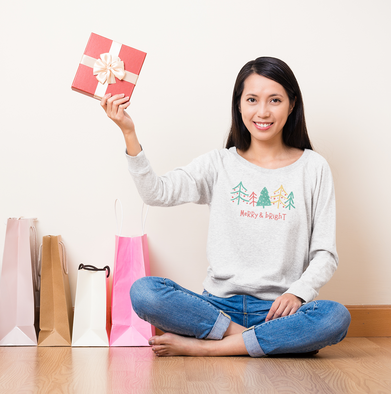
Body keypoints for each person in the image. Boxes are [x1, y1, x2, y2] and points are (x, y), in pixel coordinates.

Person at [100, 56, 351, 357]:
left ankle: (207, 348)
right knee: (144, 292)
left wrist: (298, 292)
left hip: (279, 310)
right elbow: (158, 193)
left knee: (336, 317)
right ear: (239, 105)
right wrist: (129, 132)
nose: (263, 111)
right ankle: (256, 341)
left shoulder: (314, 167)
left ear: (292, 104)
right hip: (216, 307)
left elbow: (325, 253)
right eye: (252, 100)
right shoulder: (219, 164)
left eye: (274, 100)